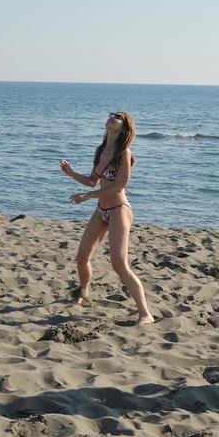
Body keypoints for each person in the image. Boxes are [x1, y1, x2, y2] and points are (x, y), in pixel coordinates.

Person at [59, 110, 155, 325]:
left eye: (119, 117)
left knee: (119, 264)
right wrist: (71, 173)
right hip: (101, 210)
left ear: (124, 128)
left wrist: (88, 197)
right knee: (82, 257)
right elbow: (93, 181)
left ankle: (145, 314)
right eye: (112, 115)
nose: (113, 117)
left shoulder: (124, 153)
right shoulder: (100, 150)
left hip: (119, 209)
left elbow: (119, 186)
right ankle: (84, 292)